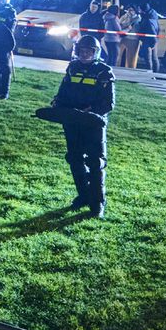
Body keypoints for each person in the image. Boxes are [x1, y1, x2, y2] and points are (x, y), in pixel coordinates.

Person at [52, 34, 115, 218]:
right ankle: (83, 196)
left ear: (96, 53)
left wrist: (91, 111)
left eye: (89, 51)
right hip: (72, 121)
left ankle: (98, 203)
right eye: (82, 51)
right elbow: (63, 93)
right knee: (75, 158)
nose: (85, 54)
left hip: (94, 123)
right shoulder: (72, 68)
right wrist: (57, 104)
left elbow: (108, 104)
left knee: (96, 162)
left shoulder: (104, 72)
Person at [136, 3, 159, 72]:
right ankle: (156, 73)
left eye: (140, 9)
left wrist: (153, 42)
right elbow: (158, 28)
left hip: (148, 41)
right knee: (154, 58)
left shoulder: (147, 19)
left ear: (143, 10)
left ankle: (150, 74)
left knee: (148, 59)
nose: (139, 11)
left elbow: (151, 30)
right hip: (153, 40)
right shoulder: (153, 16)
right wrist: (156, 40)